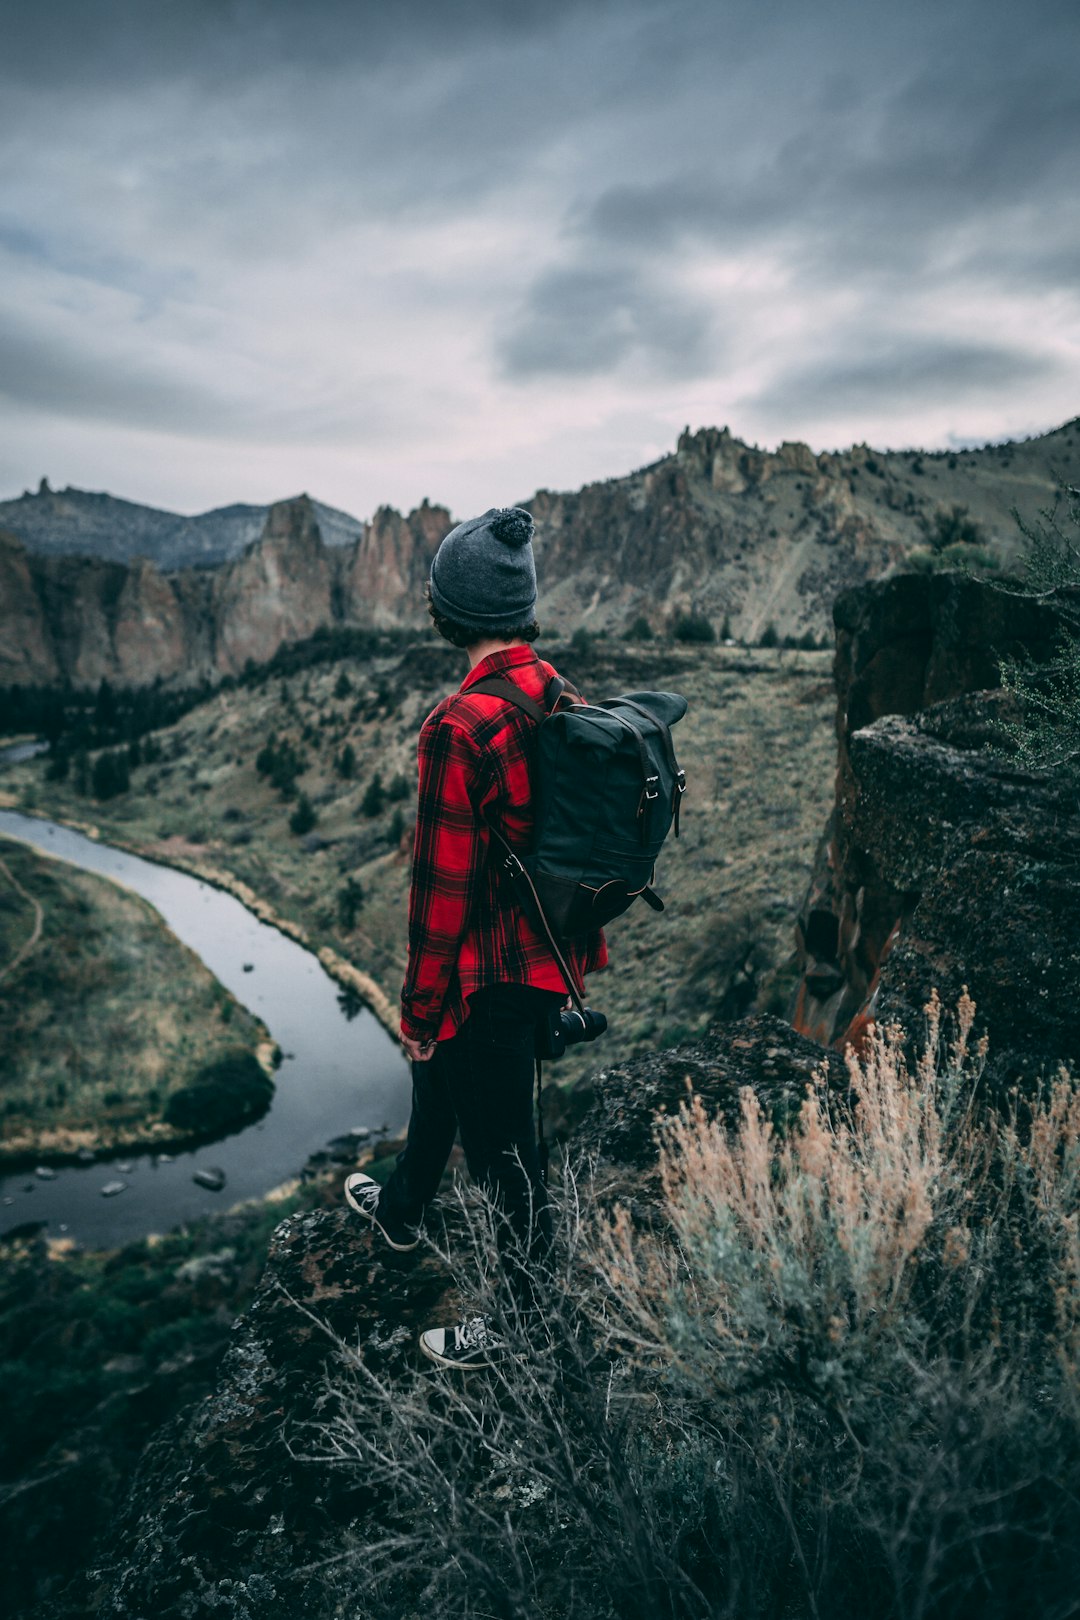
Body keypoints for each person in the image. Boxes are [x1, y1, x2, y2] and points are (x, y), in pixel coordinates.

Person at [344, 505, 607, 1370]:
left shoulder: (457, 728)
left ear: (448, 612)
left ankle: (527, 1330)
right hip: (548, 958)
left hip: (487, 976)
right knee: (443, 1079)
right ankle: (404, 1212)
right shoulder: (558, 690)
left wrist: (417, 1007)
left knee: (507, 1167)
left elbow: (439, 896)